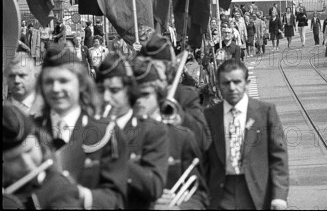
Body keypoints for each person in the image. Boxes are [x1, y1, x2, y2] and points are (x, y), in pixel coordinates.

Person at [33, 44, 128, 208]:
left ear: (81, 84)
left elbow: (117, 198)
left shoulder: (106, 132)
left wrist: (83, 195)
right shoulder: (31, 131)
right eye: (49, 82)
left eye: (64, 81)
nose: (56, 89)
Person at [203, 59, 289, 209]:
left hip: (256, 193)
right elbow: (203, 159)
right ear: (218, 86)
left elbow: (278, 157)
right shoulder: (209, 115)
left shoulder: (265, 112)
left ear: (246, 83)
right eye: (226, 83)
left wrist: (279, 197)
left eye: (237, 82)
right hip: (221, 193)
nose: (232, 88)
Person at [131, 58, 209, 209]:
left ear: (159, 96)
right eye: (134, 95)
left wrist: (178, 207)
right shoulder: (115, 138)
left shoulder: (182, 138)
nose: (139, 101)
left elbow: (199, 196)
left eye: (145, 94)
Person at [95, 52, 169, 209]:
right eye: (101, 90)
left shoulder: (151, 130)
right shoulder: (87, 127)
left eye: (114, 90)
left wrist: (115, 158)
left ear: (129, 91)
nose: (106, 97)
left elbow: (154, 186)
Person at [3, 104, 82, 210]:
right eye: (13, 159)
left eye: (29, 150)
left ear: (40, 144)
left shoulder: (59, 189)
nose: (26, 163)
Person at [4, 52, 44, 116]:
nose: (16, 80)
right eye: (12, 76)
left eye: (22, 75)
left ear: (34, 76)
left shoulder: (49, 109)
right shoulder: (5, 110)